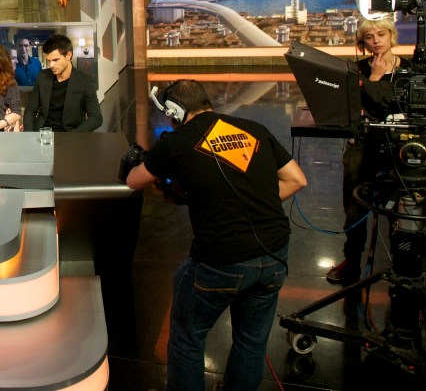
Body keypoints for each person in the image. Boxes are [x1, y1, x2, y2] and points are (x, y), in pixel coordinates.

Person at [123, 79, 307, 391]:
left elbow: (133, 181)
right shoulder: (253, 128)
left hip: (220, 261)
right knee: (251, 343)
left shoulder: (175, 142)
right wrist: (250, 202)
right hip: (275, 254)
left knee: (187, 338)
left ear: (175, 111)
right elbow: (296, 179)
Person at [327, 17, 405, 284]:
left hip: (397, 149)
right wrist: (374, 78)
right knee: (355, 209)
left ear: (392, 35)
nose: (376, 41)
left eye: (381, 34)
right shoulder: (356, 70)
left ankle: (401, 264)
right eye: (369, 37)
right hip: (362, 146)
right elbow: (354, 106)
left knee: (398, 210)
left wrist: (373, 83)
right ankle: (352, 261)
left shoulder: (409, 70)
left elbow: (386, 104)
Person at [22, 34, 102, 132]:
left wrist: (75, 135)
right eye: (49, 61)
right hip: (43, 132)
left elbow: (96, 117)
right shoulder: (42, 76)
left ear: (68, 55)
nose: (51, 65)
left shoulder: (84, 81)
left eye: (55, 60)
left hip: (71, 133)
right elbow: (31, 109)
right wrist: (29, 134)